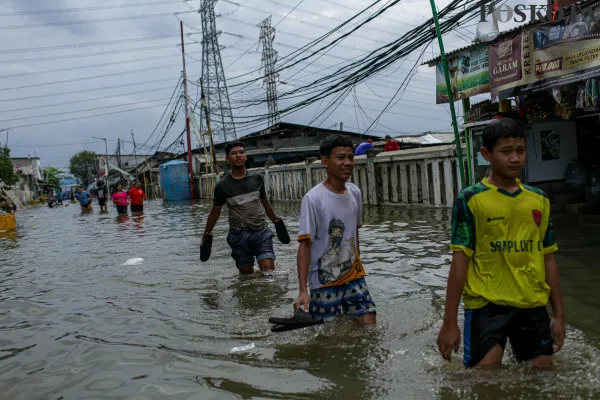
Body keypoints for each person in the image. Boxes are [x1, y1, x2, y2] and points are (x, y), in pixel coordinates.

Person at [437, 118, 565, 369]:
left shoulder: (539, 200)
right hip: (486, 306)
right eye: (506, 152)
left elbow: (548, 257)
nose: (515, 158)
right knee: (485, 379)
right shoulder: (470, 200)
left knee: (543, 373)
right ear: (486, 154)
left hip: (532, 303)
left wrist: (559, 315)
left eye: (520, 151)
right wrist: (450, 322)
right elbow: (460, 262)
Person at [293, 135, 376, 325]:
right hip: (324, 285)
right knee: (328, 341)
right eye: (340, 158)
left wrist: (359, 267)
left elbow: (355, 234)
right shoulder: (313, 199)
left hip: (354, 278)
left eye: (351, 157)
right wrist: (303, 290)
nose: (348, 163)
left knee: (369, 324)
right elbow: (305, 245)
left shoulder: (355, 192)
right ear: (325, 161)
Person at [201, 140, 282, 274]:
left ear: (246, 156)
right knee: (246, 274)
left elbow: (265, 203)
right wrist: (206, 234)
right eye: (234, 153)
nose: (238, 155)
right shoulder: (222, 186)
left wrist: (277, 221)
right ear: (227, 158)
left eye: (241, 152)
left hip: (261, 231)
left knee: (268, 270)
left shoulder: (257, 178)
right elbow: (214, 213)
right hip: (238, 235)